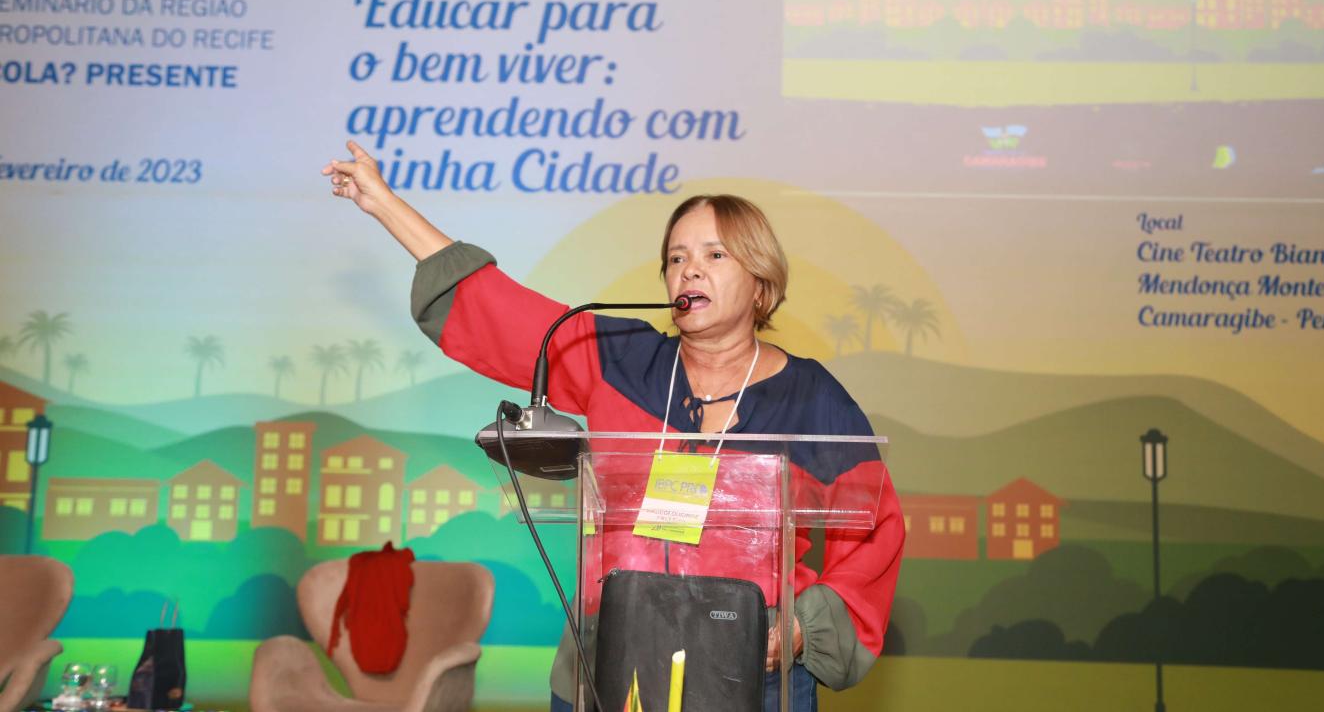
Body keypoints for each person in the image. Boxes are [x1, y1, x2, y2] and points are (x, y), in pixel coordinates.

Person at [324, 141, 905, 711]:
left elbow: (876, 528)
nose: (689, 269)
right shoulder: (622, 360)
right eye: (676, 258)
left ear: (761, 281)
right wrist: (384, 203)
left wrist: (802, 628)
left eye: (714, 255)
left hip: (756, 666)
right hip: (614, 658)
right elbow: (495, 306)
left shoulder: (812, 397)